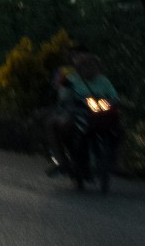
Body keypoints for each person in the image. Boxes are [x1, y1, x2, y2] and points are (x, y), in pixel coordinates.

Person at [45, 46, 118, 176]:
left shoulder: (103, 80)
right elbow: (62, 93)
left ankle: (115, 162)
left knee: (118, 129)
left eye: (91, 65)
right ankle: (63, 161)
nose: (88, 68)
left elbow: (114, 97)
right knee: (60, 124)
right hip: (75, 111)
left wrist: (112, 102)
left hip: (99, 113)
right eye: (84, 65)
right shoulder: (70, 77)